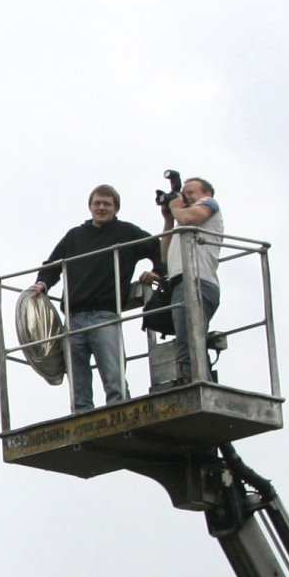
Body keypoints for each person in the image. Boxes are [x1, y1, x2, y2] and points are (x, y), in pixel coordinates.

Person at [31, 186, 157, 412]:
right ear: (90, 206)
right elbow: (51, 265)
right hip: (74, 316)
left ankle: (121, 411)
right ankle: (82, 415)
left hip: (104, 314)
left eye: (107, 204)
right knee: (77, 377)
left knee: (113, 372)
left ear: (116, 208)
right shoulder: (75, 236)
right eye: (97, 203)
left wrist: (158, 271)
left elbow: (158, 246)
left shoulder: (127, 232)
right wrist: (43, 283)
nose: (101, 208)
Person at [151, 175, 224, 387]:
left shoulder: (209, 204)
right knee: (188, 340)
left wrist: (175, 206)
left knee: (189, 341)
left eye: (190, 192)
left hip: (197, 282)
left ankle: (197, 384)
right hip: (181, 283)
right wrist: (168, 218)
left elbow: (188, 219)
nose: (186, 197)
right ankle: (197, 381)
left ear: (206, 193)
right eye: (184, 193)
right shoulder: (182, 218)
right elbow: (164, 256)